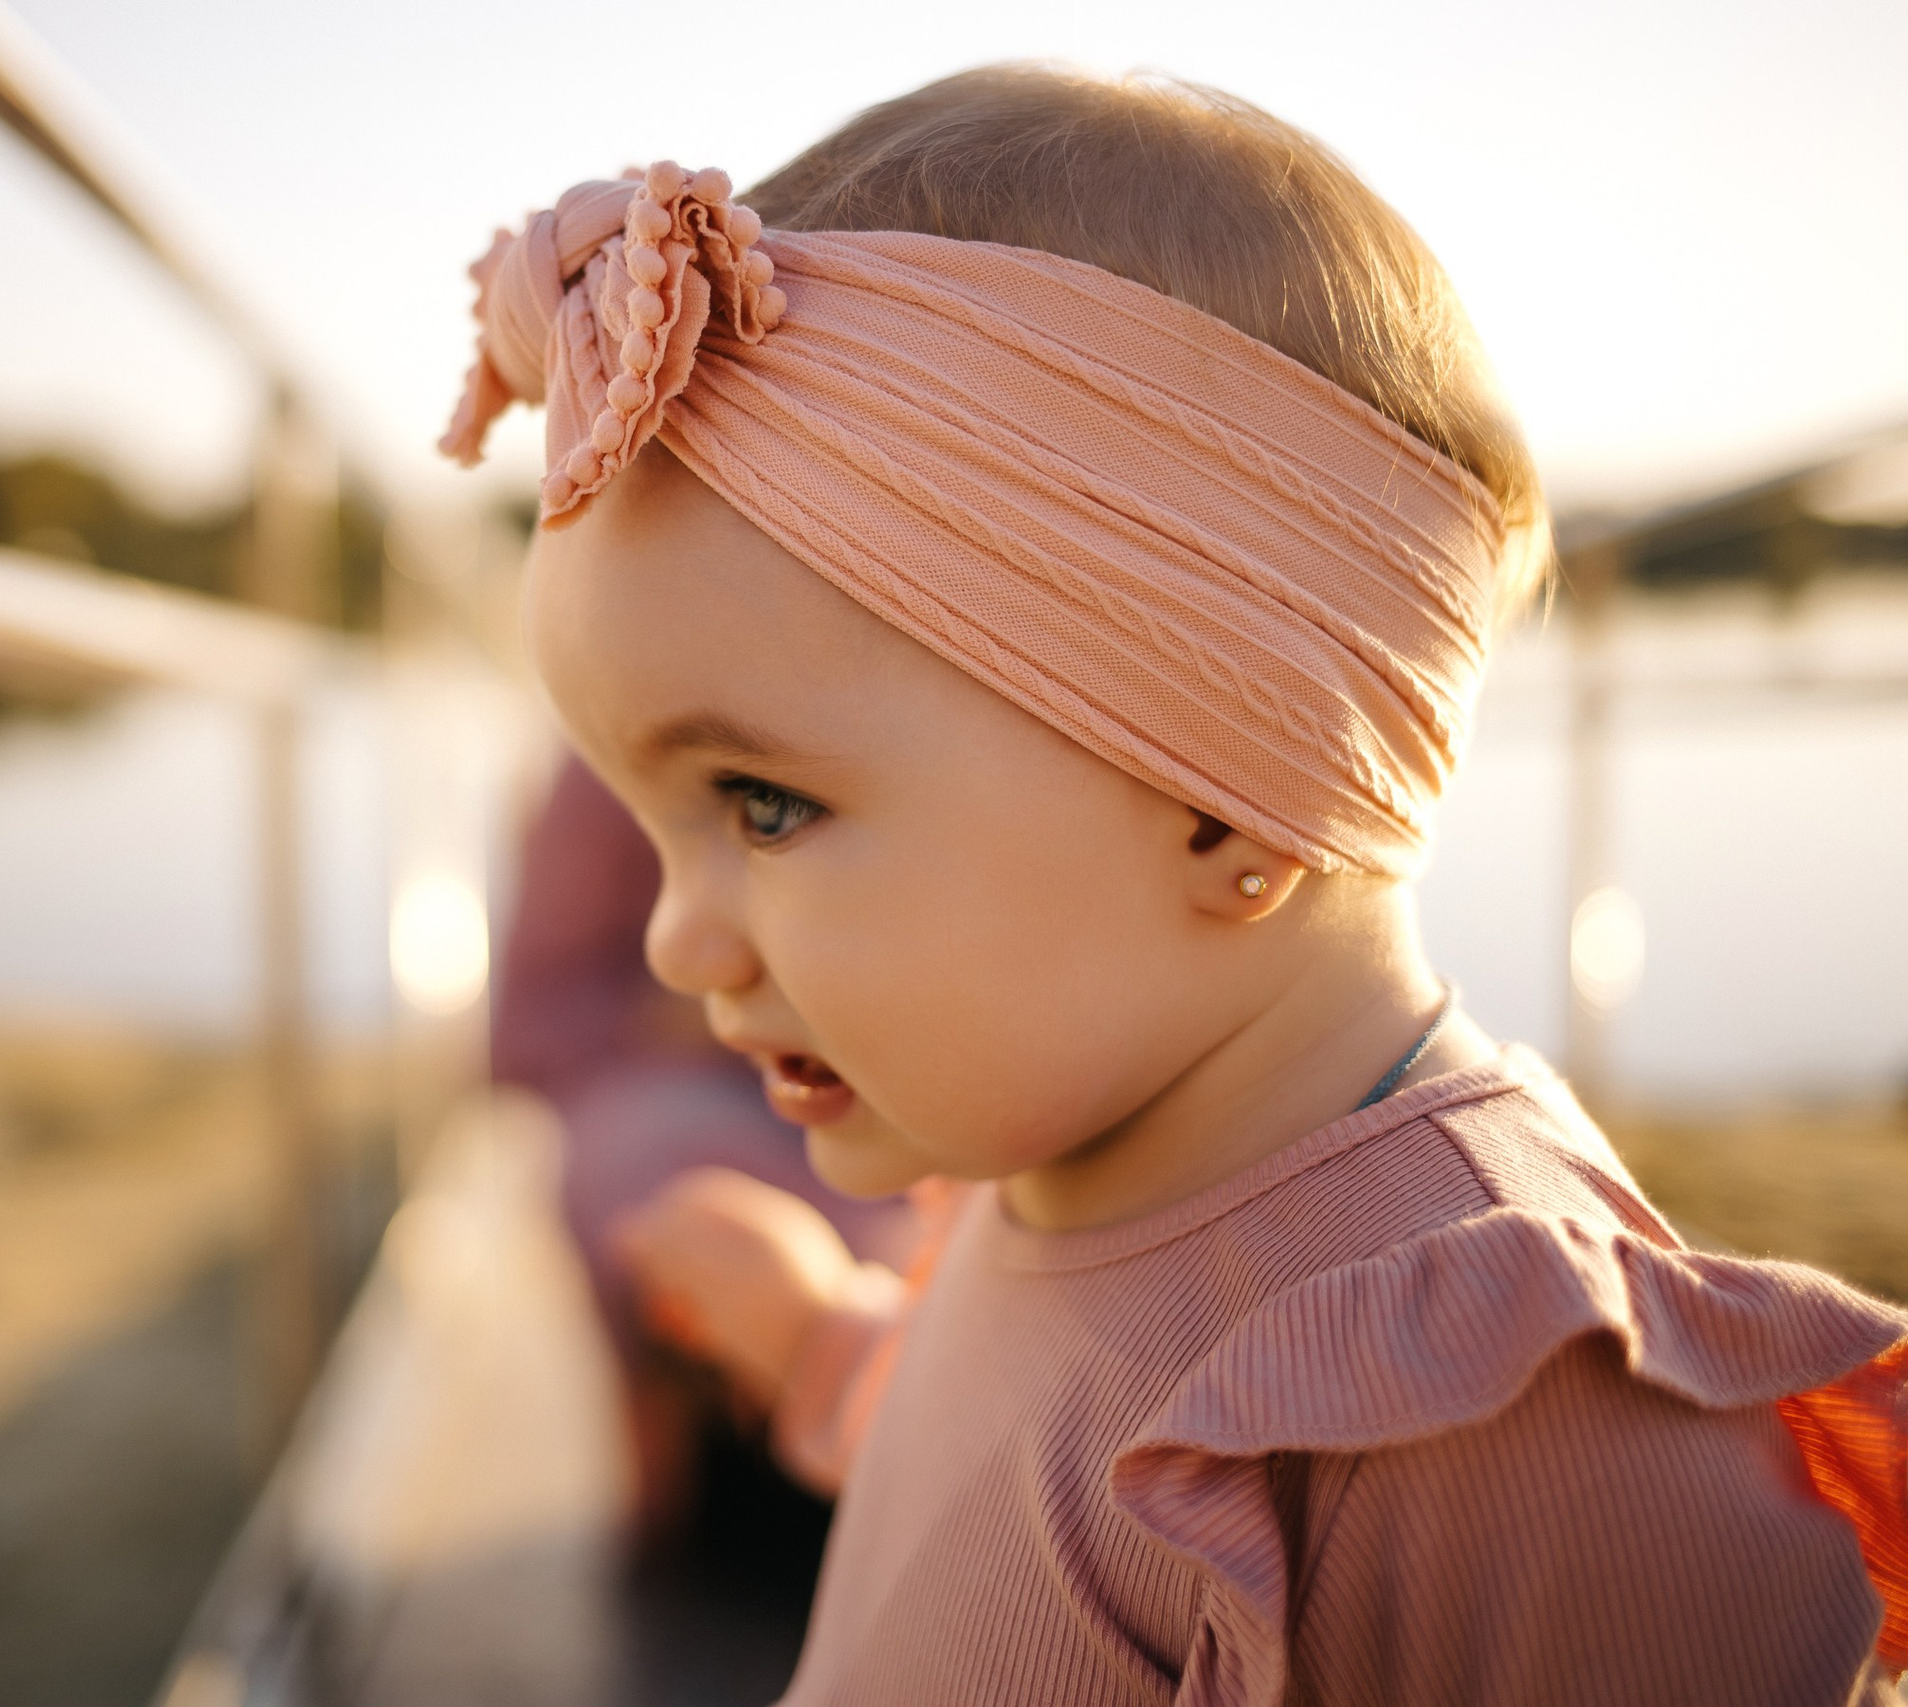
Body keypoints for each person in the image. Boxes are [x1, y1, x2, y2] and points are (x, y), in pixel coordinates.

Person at [441, 63, 1908, 1704]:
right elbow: (1054, 1488)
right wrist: (833, 1349)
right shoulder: (1059, 1139)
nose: (676, 937)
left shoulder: (1511, 1412)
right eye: (657, 823)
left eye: (764, 802)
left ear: (1233, 791)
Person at [493, 751, 914, 1524]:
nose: (686, 942)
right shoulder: (600, 765)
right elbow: (524, 1032)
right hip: (695, 1108)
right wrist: (701, 1016)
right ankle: (670, 1489)